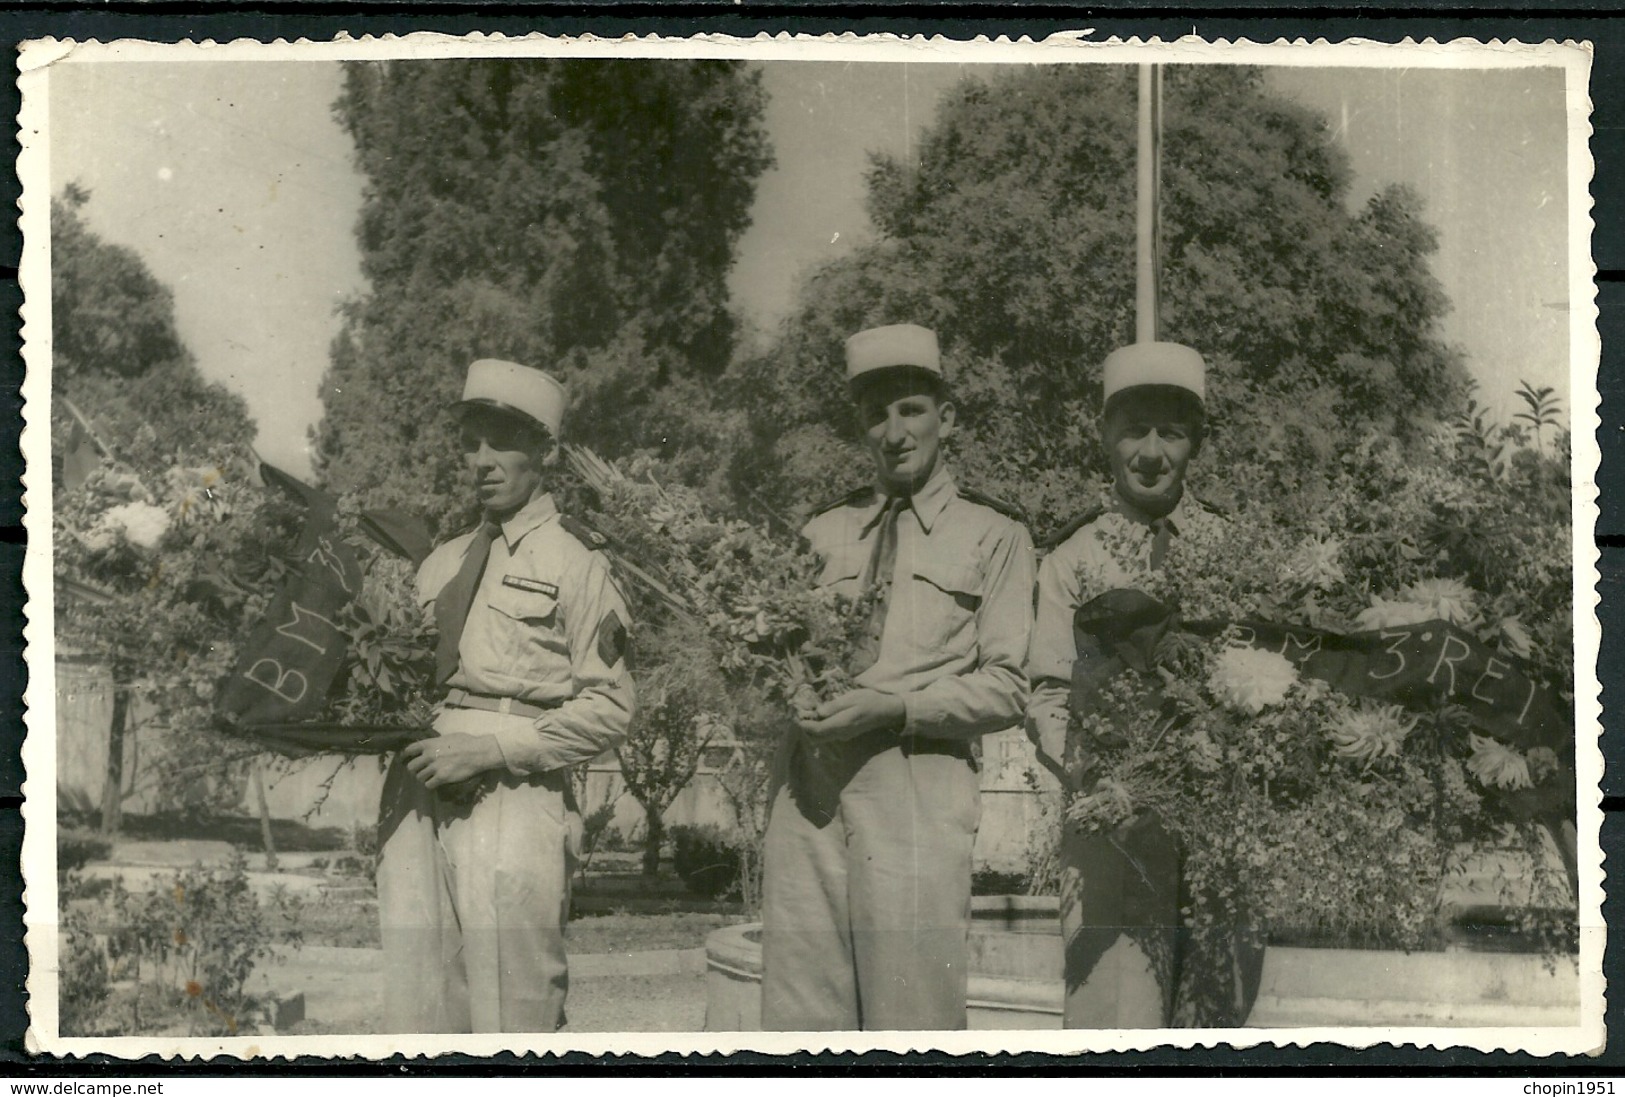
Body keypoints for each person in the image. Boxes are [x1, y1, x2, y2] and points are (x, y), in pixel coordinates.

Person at [760, 323, 1036, 1031]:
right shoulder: (821, 531)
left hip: (917, 780)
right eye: (875, 412)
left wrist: (893, 705)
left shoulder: (994, 533)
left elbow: (1009, 685)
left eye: (910, 408)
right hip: (809, 791)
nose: (893, 430)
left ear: (946, 417)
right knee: (801, 1019)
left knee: (910, 1019)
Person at [376, 358, 635, 1034]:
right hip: (416, 791)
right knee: (419, 1001)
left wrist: (490, 748)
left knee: (513, 1008)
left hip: (511, 795)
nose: (483, 460)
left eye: (503, 441)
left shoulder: (577, 561)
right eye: (471, 441)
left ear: (545, 451)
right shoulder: (442, 560)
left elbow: (610, 705)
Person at [1026, 340, 1259, 1028]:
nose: (1152, 451)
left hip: (1217, 836)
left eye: (1172, 431)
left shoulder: (1231, 548)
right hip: (1112, 836)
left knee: (1215, 1031)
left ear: (1196, 443)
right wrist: (1104, 781)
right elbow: (1045, 692)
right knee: (1113, 1034)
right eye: (1134, 429)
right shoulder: (1071, 557)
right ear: (1104, 435)